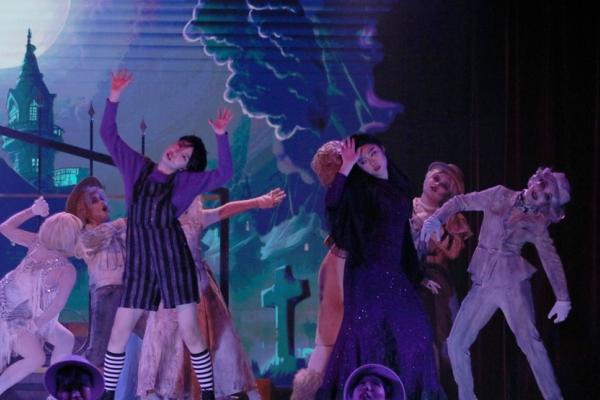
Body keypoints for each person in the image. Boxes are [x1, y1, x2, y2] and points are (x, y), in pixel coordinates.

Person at [99, 69, 234, 400]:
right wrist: (114, 95)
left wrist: (220, 135)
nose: (178, 151)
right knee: (119, 330)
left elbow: (225, 172)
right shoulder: (138, 168)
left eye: (186, 156)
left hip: (173, 261)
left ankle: (209, 394)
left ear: (186, 166)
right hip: (141, 262)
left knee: (190, 331)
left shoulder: (185, 183)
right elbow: (108, 134)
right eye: (181, 146)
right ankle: (106, 394)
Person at [420, 167, 572, 400]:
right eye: (542, 185)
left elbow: (550, 258)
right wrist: (436, 218)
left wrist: (563, 298)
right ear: (535, 179)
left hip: (512, 285)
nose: (540, 192)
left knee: (531, 344)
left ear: (547, 205)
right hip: (484, 281)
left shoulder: (537, 223)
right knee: (456, 343)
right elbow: (460, 201)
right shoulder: (499, 194)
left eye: (548, 196)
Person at [316, 135, 445, 399]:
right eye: (362, 161)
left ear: (383, 150)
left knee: (417, 335)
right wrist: (346, 167)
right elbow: (333, 205)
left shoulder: (399, 187)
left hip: (395, 275)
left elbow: (403, 238)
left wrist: (417, 276)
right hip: (367, 274)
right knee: (369, 338)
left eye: (373, 153)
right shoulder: (362, 191)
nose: (371, 162)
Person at [137, 188, 285, 399]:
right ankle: (161, 391)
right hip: (170, 290)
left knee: (218, 338)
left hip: (198, 289)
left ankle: (237, 391)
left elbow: (224, 210)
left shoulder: (196, 219)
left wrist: (258, 202)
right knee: (165, 340)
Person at [66, 177, 144, 399]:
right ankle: (77, 391)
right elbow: (91, 241)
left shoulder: (118, 231)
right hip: (107, 294)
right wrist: (120, 224)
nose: (102, 201)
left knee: (151, 337)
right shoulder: (85, 234)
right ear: (85, 210)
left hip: (131, 293)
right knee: (98, 350)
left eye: (102, 197)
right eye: (94, 200)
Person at [0, 198, 82, 396]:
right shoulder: (64, 267)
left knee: (65, 339)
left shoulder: (38, 245)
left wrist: (32, 211)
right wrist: (35, 325)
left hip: (26, 313)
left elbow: (5, 228)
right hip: (9, 314)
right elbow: (57, 305)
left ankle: (55, 394)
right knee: (35, 357)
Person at [292, 140, 348, 400]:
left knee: (328, 341)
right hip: (342, 263)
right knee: (329, 339)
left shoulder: (340, 195)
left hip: (338, 261)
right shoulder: (343, 196)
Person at [410, 162, 472, 391]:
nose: (438, 185)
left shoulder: (451, 217)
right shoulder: (405, 208)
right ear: (427, 176)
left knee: (441, 339)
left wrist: (432, 225)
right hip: (406, 278)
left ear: (449, 193)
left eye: (445, 185)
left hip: (437, 281)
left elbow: (454, 251)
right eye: (436, 178)